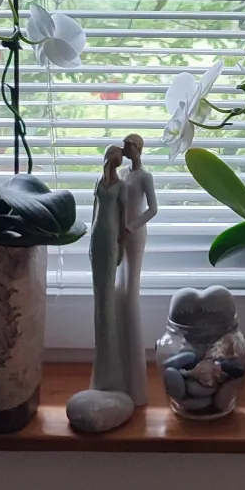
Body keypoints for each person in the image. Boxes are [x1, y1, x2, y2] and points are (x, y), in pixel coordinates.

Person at [116, 133, 157, 405]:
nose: (124, 150)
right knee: (120, 293)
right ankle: (120, 371)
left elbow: (153, 209)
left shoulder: (145, 177)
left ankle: (136, 382)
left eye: (128, 146)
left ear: (138, 149)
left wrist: (131, 227)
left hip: (134, 235)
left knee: (131, 295)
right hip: (119, 235)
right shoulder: (122, 173)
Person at [88, 144, 128, 393]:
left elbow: (122, 218)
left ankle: (111, 366)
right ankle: (100, 368)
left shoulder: (121, 186)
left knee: (107, 295)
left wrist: (121, 244)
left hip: (111, 236)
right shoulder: (99, 182)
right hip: (97, 235)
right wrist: (89, 241)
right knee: (98, 295)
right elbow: (94, 211)